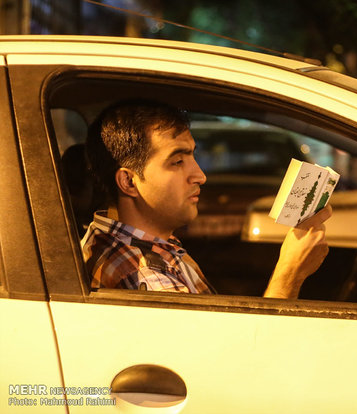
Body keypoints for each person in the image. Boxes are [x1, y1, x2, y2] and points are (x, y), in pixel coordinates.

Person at [81, 101, 331, 299]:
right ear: (128, 182)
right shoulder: (144, 274)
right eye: (177, 162)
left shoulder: (117, 238)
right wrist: (290, 274)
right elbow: (235, 362)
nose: (200, 176)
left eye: (192, 157)